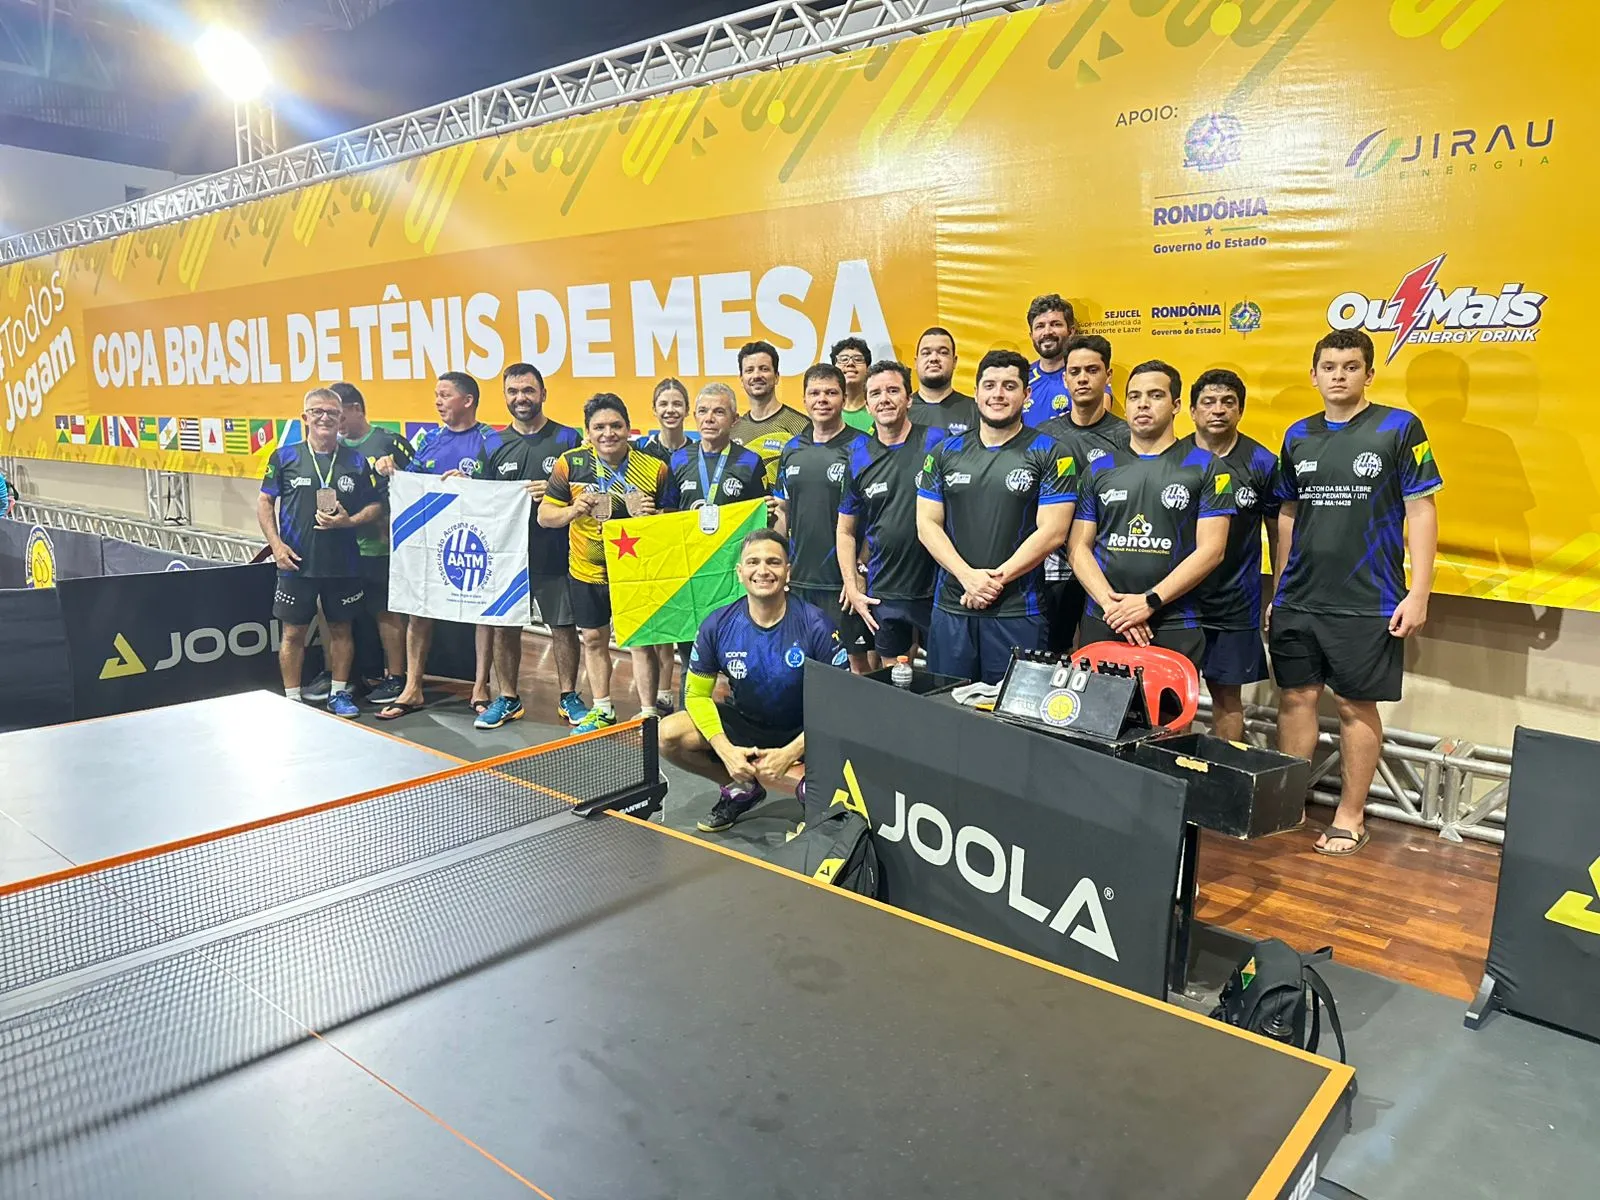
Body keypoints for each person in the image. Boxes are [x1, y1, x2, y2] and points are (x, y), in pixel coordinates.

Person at [1271, 329, 1442, 857]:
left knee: (1353, 705)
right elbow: (1287, 512)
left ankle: (1351, 815)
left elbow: (1421, 509)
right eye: (1329, 366)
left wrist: (1419, 594)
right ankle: (1287, 805)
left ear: (1369, 373)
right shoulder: (1298, 435)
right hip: (1299, 599)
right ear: (1314, 374)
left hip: (1369, 599)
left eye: (1350, 366)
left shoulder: (1399, 427)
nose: (1339, 375)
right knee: (1296, 699)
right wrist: (1278, 590)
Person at [658, 529, 848, 833]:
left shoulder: (816, 625)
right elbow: (695, 696)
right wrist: (725, 751)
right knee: (669, 734)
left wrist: (791, 753)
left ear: (788, 571)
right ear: (740, 572)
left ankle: (810, 787)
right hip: (747, 725)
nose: (763, 570)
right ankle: (740, 788)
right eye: (753, 562)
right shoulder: (717, 625)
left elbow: (843, 703)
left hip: (808, 730)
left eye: (773, 562)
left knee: (825, 803)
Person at [915, 348, 1076, 684]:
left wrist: (993, 581)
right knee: (947, 713)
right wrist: (967, 577)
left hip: (1020, 611)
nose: (997, 395)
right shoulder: (945, 452)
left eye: (1009, 386)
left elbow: (1054, 532)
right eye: (989, 385)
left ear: (1026, 394)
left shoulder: (1051, 451)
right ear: (976, 393)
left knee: (1014, 723)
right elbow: (927, 524)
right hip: (952, 608)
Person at [1068, 360, 1233, 666]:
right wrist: (1112, 606)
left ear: (1176, 405)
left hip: (1173, 623)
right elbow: (1078, 547)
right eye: (1134, 396)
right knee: (1097, 714)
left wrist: (1149, 602)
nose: (1143, 404)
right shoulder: (1099, 468)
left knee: (1164, 716)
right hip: (1104, 619)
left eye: (1155, 395)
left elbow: (1213, 550)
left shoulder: (1208, 467)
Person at [539, 393, 675, 733]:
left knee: (641, 642)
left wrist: (653, 515)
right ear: (587, 432)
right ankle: (602, 708)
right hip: (587, 571)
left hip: (635, 573)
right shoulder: (569, 464)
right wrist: (572, 510)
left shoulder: (655, 468)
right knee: (595, 640)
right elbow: (545, 516)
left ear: (629, 428)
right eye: (599, 427)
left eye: (616, 425)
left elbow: (674, 521)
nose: (608, 433)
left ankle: (647, 712)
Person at [373, 372, 504, 720]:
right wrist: (391, 469)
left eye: (445, 395)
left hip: (475, 542)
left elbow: (503, 490)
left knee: (483, 614)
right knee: (420, 607)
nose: (438, 401)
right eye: (436, 395)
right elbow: (411, 482)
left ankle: (480, 686)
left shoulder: (491, 441)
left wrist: (472, 485)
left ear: (468, 400)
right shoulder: (430, 440)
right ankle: (412, 686)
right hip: (431, 542)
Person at [257, 388, 382, 718]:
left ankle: (339, 694)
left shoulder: (355, 461)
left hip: (342, 564)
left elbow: (374, 506)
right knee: (293, 633)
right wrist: (276, 545)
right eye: (317, 411)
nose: (324, 417)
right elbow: (265, 502)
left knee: (341, 630)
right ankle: (292, 699)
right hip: (295, 563)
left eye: (331, 412)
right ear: (305, 418)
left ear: (341, 419)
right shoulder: (285, 457)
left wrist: (349, 521)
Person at [475, 363, 584, 730]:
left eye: (528, 390)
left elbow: (584, 492)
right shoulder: (493, 444)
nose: (521, 398)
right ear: (505, 396)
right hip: (507, 556)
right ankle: (507, 698)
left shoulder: (568, 439)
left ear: (543, 394)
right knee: (505, 627)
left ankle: (569, 696)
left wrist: (552, 492)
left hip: (556, 552)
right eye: (513, 392)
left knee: (563, 626)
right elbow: (480, 500)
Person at [1176, 368, 1280, 742]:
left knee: (1227, 698)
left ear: (1240, 410)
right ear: (1191, 410)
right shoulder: (1175, 457)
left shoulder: (1263, 463)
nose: (1218, 410)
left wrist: (1279, 594)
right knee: (1174, 696)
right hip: (1178, 602)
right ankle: (1172, 776)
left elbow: (1279, 535)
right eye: (1208, 402)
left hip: (1235, 601)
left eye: (1227, 402)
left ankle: (1225, 787)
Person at [839, 359, 947, 665]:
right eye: (875, 393)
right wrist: (852, 585)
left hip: (938, 588)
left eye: (892, 390)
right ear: (868, 406)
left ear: (909, 399)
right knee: (893, 677)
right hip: (885, 589)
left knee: (945, 679)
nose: (884, 398)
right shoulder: (858, 456)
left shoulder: (939, 443)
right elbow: (845, 530)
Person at [772, 364, 871, 670]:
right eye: (815, 393)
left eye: (830, 392)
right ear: (804, 400)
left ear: (844, 398)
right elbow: (782, 511)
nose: (822, 399)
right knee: (803, 659)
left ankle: (859, 719)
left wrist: (858, 571)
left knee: (856, 663)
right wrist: (781, 563)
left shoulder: (863, 446)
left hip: (843, 581)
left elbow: (875, 515)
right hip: (801, 579)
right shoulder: (792, 449)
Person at [1038, 334, 1131, 652]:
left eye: (1092, 370)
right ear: (1064, 378)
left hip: (1107, 568)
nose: (1082, 378)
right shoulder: (1044, 436)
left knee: (1102, 658)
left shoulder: (1127, 437)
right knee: (1052, 653)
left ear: (1108, 376)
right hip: (1055, 568)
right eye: (1075, 371)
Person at [333, 381, 410, 704]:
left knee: (385, 612)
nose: (332, 423)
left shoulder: (389, 442)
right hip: (342, 550)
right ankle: (349, 676)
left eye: (337, 414)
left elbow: (418, 483)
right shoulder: (333, 450)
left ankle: (396, 676)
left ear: (355, 409)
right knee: (343, 616)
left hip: (382, 546)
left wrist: (393, 474)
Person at [633, 377, 694, 712]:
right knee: (657, 626)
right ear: (654, 409)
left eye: (677, 404)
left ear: (687, 409)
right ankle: (659, 691)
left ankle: (678, 694)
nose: (670, 410)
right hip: (651, 550)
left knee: (684, 625)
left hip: (687, 551)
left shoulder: (698, 451)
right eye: (664, 404)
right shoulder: (641, 453)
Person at [729, 340, 809, 489]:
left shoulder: (801, 425)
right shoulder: (733, 430)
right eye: (749, 370)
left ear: (777, 376)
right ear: (741, 379)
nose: (756, 375)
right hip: (749, 512)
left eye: (764, 369)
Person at [908, 326, 978, 435]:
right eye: (926, 353)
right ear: (916, 362)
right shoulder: (900, 411)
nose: (934, 358)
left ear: (954, 361)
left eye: (943, 352)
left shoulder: (976, 410)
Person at [1025, 293, 1076, 427]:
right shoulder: (1021, 377)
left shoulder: (1084, 375)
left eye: (1055, 324)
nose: (1047, 332)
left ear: (1071, 332)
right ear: (1031, 335)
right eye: (1040, 326)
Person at [830, 336, 875, 433]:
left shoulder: (880, 409)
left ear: (868, 369)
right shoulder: (824, 411)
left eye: (858, 359)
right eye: (843, 359)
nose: (850, 363)